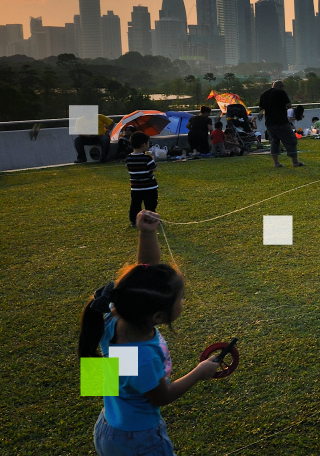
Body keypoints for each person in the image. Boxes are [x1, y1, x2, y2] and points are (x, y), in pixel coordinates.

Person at [81, 210, 222, 455]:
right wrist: (199, 372)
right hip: (139, 440)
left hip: (108, 427)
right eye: (181, 299)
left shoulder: (114, 316)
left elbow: (145, 274)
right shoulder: (141, 358)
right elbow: (161, 397)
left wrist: (147, 233)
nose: (183, 303)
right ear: (158, 316)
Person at [259, 80, 303, 167]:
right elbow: (288, 105)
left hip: (269, 122)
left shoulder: (264, 93)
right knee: (291, 140)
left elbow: (260, 107)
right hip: (281, 121)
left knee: (274, 142)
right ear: (280, 87)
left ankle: (276, 163)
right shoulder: (281, 92)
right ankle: (295, 162)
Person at [125, 132, 158, 228]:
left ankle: (134, 221)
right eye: (148, 143)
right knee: (150, 205)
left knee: (135, 205)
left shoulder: (129, 157)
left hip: (136, 188)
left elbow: (128, 167)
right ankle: (151, 220)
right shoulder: (147, 157)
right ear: (144, 145)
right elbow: (154, 168)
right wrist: (152, 159)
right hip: (149, 187)